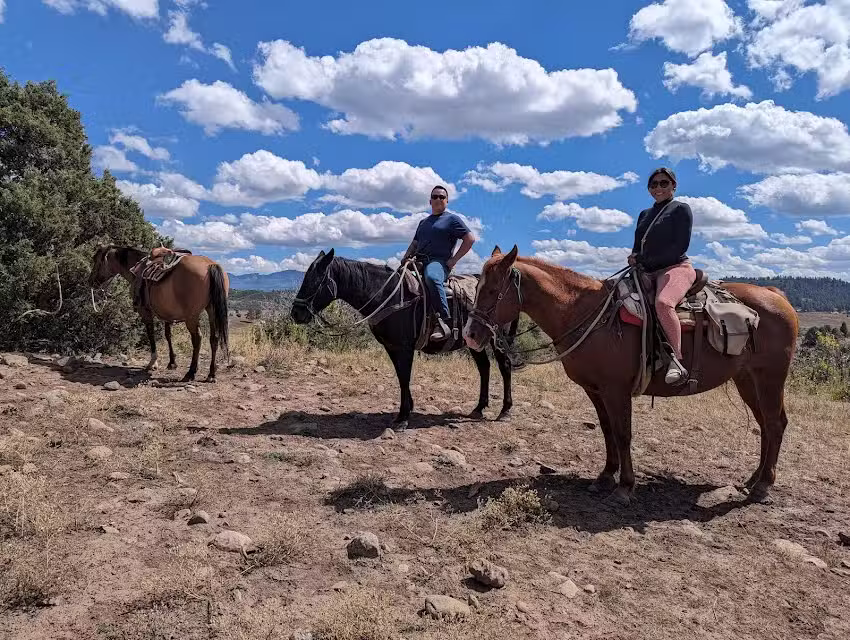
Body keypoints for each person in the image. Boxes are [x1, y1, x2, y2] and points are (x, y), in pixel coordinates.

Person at [627, 168, 695, 385]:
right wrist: (634, 257)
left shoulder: (681, 209)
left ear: (673, 186)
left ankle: (676, 359)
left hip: (675, 268)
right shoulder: (644, 215)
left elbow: (679, 246)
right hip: (645, 270)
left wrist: (647, 262)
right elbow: (638, 246)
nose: (658, 187)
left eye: (663, 183)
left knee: (664, 303)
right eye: (653, 184)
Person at [402, 185, 476, 341]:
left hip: (438, 263)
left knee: (432, 278)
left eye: (441, 197)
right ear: (430, 201)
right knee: (396, 280)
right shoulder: (423, 222)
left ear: (447, 201)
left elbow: (470, 239)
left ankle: (443, 321)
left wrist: (454, 260)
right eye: (435, 197)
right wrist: (406, 258)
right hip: (418, 261)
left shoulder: (452, 219)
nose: (438, 199)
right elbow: (415, 243)